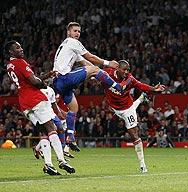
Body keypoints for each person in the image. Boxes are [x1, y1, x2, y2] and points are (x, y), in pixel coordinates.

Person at [53, 22, 127, 152]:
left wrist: (97, 73)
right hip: (63, 78)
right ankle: (118, 87)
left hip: (59, 83)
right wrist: (107, 63)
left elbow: (85, 62)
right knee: (96, 70)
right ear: (68, 33)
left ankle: (70, 136)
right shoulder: (72, 42)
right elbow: (90, 57)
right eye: (75, 31)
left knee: (74, 108)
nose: (77, 33)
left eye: (79, 31)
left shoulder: (68, 47)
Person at [4, 40, 75, 175]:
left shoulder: (10, 66)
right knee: (52, 129)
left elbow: (29, 81)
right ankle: (61, 160)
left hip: (24, 104)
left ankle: (48, 164)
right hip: (35, 99)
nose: (21, 49)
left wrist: (46, 76)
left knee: (43, 132)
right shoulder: (21, 62)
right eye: (18, 48)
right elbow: (34, 82)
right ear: (11, 52)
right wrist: (44, 85)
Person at [103, 59, 165, 173]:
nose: (127, 72)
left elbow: (140, 85)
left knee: (134, 135)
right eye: (124, 69)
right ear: (117, 68)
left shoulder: (130, 79)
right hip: (113, 108)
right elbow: (96, 75)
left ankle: (142, 165)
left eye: (128, 70)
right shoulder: (108, 73)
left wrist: (153, 89)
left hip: (127, 109)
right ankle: (141, 98)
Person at [33, 86, 75, 159]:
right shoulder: (39, 90)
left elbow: (54, 104)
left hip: (53, 113)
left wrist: (59, 113)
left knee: (60, 129)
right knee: (51, 132)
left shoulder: (52, 90)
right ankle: (38, 148)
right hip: (45, 114)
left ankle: (62, 151)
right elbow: (54, 104)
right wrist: (61, 112)